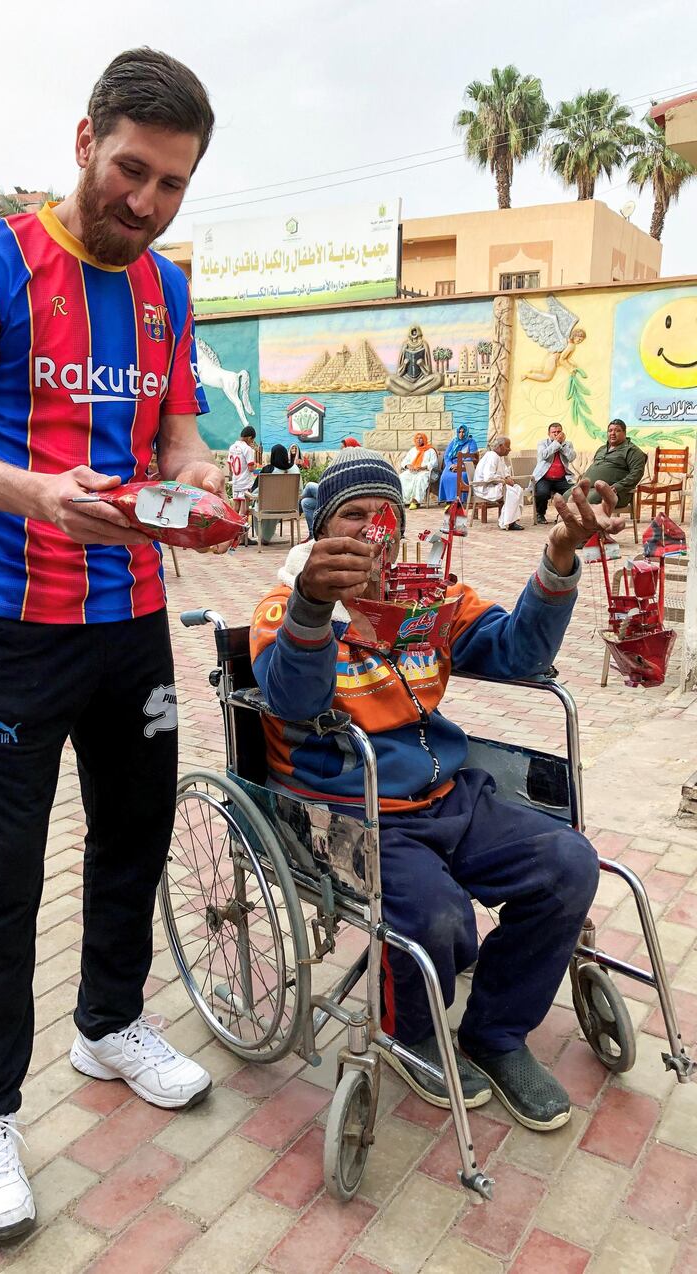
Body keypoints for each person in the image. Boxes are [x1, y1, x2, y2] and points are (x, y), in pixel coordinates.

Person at [0, 47, 222, 1245]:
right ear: (85, 138)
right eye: (132, 171)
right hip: (15, 628)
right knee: (0, 875)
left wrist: (205, 473)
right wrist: (39, 494)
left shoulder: (165, 291)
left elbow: (179, 432)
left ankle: (107, 1022)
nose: (145, 202)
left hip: (132, 620)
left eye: (173, 185)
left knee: (134, 836)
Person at [250, 447, 622, 1131]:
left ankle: (496, 1033)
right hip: (349, 811)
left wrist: (561, 553)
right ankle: (409, 1029)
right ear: (320, 529)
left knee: (568, 864)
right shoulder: (285, 608)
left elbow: (520, 654)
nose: (370, 532)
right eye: (350, 518)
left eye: (381, 514)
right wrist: (312, 601)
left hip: (447, 794)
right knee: (438, 914)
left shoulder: (432, 600)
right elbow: (292, 700)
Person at [581, 419, 647, 508]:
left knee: (589, 499)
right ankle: (571, 521)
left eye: (617, 430)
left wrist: (618, 486)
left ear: (624, 433)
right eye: (610, 430)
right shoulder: (602, 449)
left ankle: (587, 521)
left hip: (614, 492)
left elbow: (636, 474)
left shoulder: (632, 451)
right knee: (567, 495)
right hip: (588, 488)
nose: (612, 433)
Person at [249, 443, 300, 545]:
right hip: (290, 507)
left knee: (257, 506)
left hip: (268, 507)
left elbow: (256, 491)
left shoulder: (268, 470)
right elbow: (300, 490)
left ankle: (263, 536)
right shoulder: (295, 469)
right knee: (275, 503)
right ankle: (268, 535)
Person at [473, 436, 524, 531]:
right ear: (500, 446)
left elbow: (504, 471)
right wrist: (504, 480)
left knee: (518, 489)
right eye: (507, 446)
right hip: (485, 488)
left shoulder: (499, 457)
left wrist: (507, 477)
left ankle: (511, 520)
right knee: (511, 492)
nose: (510, 449)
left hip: (494, 486)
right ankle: (507, 522)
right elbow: (488, 477)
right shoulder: (492, 456)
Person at [533, 422, 576, 524]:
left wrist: (561, 445)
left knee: (574, 492)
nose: (556, 434)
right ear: (549, 433)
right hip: (544, 478)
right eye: (554, 432)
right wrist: (556, 443)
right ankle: (540, 514)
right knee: (542, 493)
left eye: (559, 432)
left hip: (562, 478)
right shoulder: (542, 443)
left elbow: (572, 457)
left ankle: (563, 515)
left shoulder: (567, 444)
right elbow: (543, 455)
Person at [227, 424, 258, 545]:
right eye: (252, 440)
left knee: (235, 509)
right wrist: (256, 465)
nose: (252, 442)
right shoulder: (247, 449)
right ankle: (242, 538)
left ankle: (231, 535)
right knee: (244, 511)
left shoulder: (232, 447)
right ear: (250, 438)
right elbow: (251, 468)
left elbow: (230, 465)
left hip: (236, 481)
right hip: (245, 483)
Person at [438, 425, 478, 503]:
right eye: (459, 432)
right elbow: (446, 456)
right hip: (452, 465)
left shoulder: (471, 442)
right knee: (445, 476)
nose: (461, 434)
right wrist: (450, 465)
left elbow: (472, 456)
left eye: (463, 432)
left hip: (465, 465)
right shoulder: (453, 442)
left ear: (466, 432)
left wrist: (460, 465)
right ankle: (449, 500)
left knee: (462, 476)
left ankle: (461, 500)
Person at [399, 431, 438, 509]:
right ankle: (405, 500)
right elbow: (405, 461)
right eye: (417, 438)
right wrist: (408, 465)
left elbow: (434, 463)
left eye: (421, 438)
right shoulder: (413, 450)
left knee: (421, 478)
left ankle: (416, 501)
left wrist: (423, 467)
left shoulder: (430, 450)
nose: (419, 440)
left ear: (424, 439)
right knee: (402, 477)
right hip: (413, 471)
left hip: (425, 471)